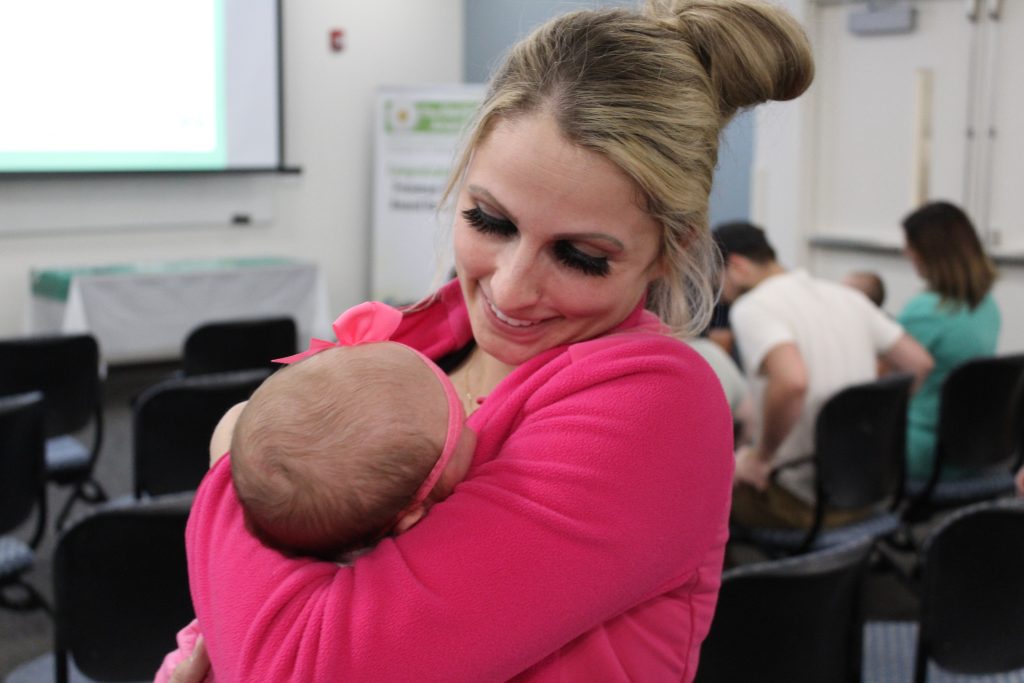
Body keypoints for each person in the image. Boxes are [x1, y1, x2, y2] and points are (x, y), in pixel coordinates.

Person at [170, 2, 816, 680]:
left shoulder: (654, 406)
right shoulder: (411, 341)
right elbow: (211, 627)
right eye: (489, 220)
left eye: (580, 256)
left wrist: (236, 453)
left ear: (667, 251)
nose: (509, 290)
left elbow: (301, 666)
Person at [155, 302, 476, 683]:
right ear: (412, 515)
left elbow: (235, 419)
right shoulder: (372, 601)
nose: (475, 416)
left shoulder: (236, 523)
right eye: (460, 415)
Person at [714, 221, 933, 529]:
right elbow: (919, 363)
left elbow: (792, 382)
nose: (722, 298)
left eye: (719, 284)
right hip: (870, 489)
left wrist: (761, 457)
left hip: (802, 504)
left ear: (736, 265)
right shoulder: (846, 296)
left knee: (701, 486)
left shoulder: (752, 307)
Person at [898, 201, 1000, 481]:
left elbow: (881, 382)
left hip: (922, 451)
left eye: (910, 245)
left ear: (930, 252)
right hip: (973, 448)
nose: (906, 253)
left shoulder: (924, 311)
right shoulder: (987, 306)